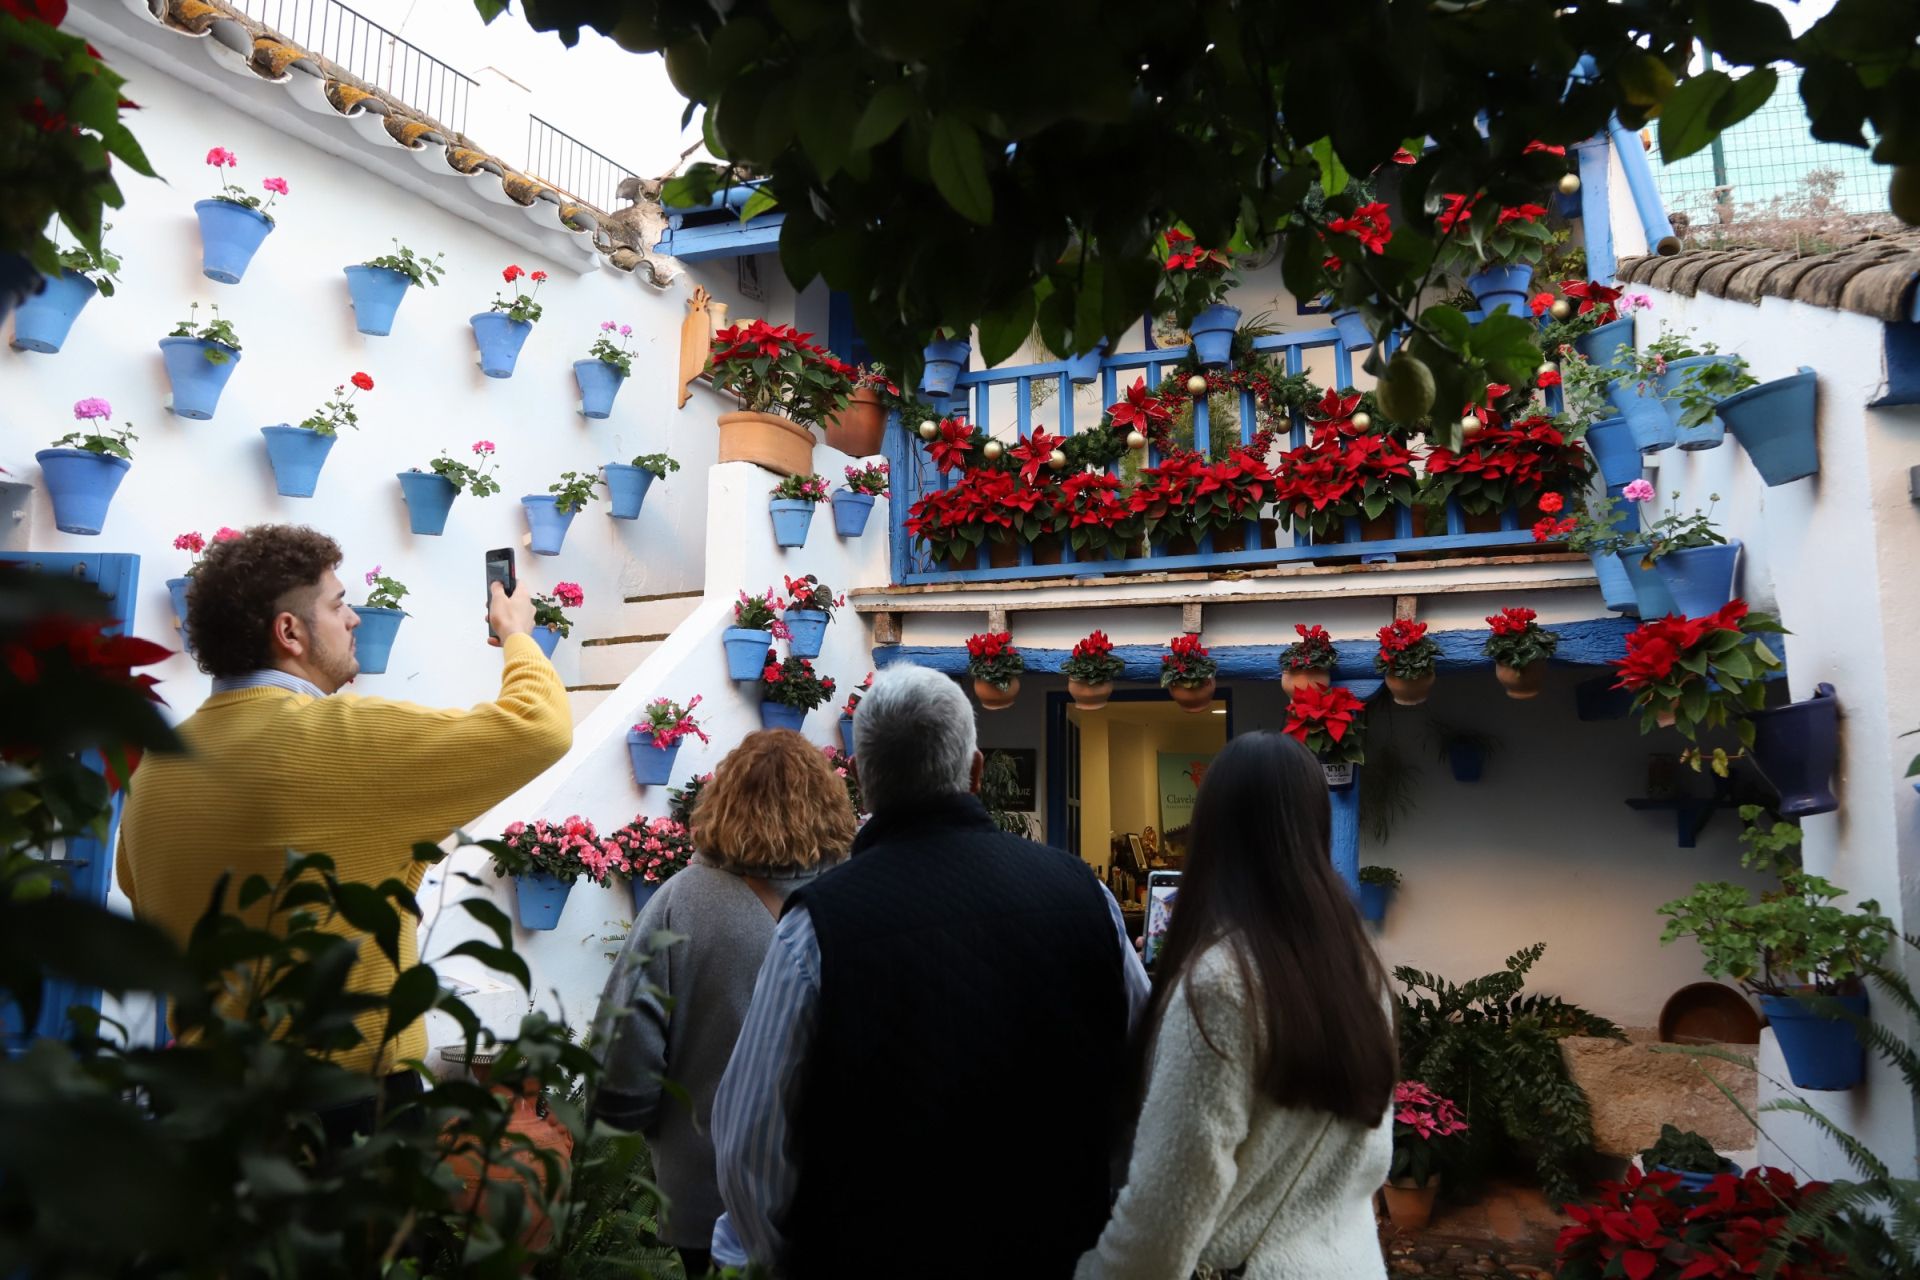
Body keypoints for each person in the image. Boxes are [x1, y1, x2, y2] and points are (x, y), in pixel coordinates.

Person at [117, 524, 572, 1135]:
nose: (354, 618)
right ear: (290, 632)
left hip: (200, 1111)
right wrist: (518, 635)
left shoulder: (159, 765)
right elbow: (538, 726)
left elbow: (139, 889)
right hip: (340, 1116)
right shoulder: (342, 737)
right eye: (338, 604)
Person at [709, 663, 1150, 1277]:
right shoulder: (1086, 896)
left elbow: (748, 1148)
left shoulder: (816, 932)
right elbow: (1149, 1078)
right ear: (975, 770)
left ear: (861, 780)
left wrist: (788, 1263)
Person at [1074, 731, 1398, 1280]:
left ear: (1211, 835)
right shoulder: (1360, 969)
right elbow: (1371, 1160)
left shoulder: (1220, 984)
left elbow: (1165, 1214)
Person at [593, 729, 856, 1276]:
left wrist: (638, 1125)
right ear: (827, 805)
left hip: (703, 1194)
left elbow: (626, 1047)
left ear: (724, 802)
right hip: (825, 1187)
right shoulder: (851, 899)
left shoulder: (680, 903)